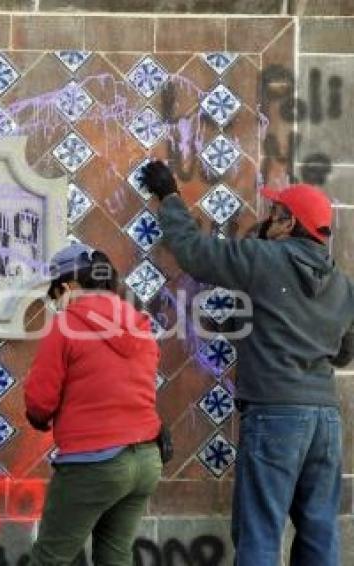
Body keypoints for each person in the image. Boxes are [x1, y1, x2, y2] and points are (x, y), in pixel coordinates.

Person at [141, 161, 354, 566]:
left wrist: (169, 195)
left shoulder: (263, 259)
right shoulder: (343, 285)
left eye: (275, 213)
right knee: (320, 534)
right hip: (325, 421)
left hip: (276, 415)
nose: (267, 218)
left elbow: (195, 253)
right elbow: (344, 353)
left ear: (288, 223)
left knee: (259, 532)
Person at [25, 243, 163, 566]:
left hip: (93, 462)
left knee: (50, 558)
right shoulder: (140, 324)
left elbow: (40, 401)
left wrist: (40, 417)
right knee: (115, 557)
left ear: (68, 287)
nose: (56, 302)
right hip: (145, 460)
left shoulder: (65, 327)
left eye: (55, 293)